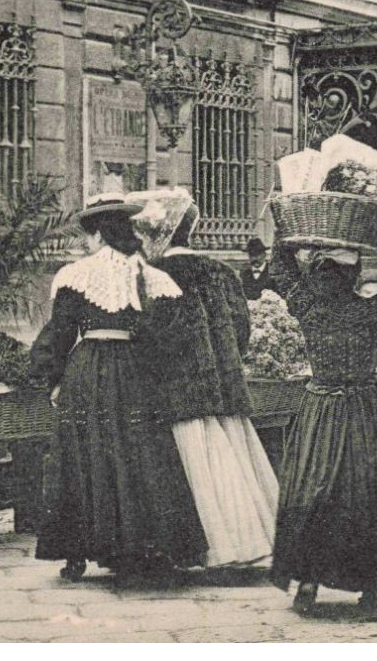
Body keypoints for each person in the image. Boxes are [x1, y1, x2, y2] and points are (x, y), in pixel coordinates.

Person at [29, 192, 204, 582]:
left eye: (88, 236)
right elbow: (171, 340)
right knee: (139, 452)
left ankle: (77, 553)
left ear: (97, 235)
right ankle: (144, 546)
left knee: (84, 455)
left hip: (88, 371)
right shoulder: (154, 278)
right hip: (135, 371)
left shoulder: (75, 275)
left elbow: (59, 335)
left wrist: (49, 378)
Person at [266, 205, 377, 611]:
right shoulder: (368, 311)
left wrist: (290, 231)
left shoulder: (308, 308)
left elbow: (279, 267)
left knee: (312, 488)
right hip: (363, 411)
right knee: (368, 492)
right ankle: (369, 586)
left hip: (320, 409)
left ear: (318, 275)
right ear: (352, 277)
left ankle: (308, 584)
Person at [129, 188, 281, 567]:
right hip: (224, 387)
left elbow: (148, 334)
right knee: (230, 464)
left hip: (175, 389)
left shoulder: (153, 274)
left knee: (193, 467)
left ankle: (197, 547)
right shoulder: (221, 271)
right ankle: (246, 540)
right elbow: (243, 327)